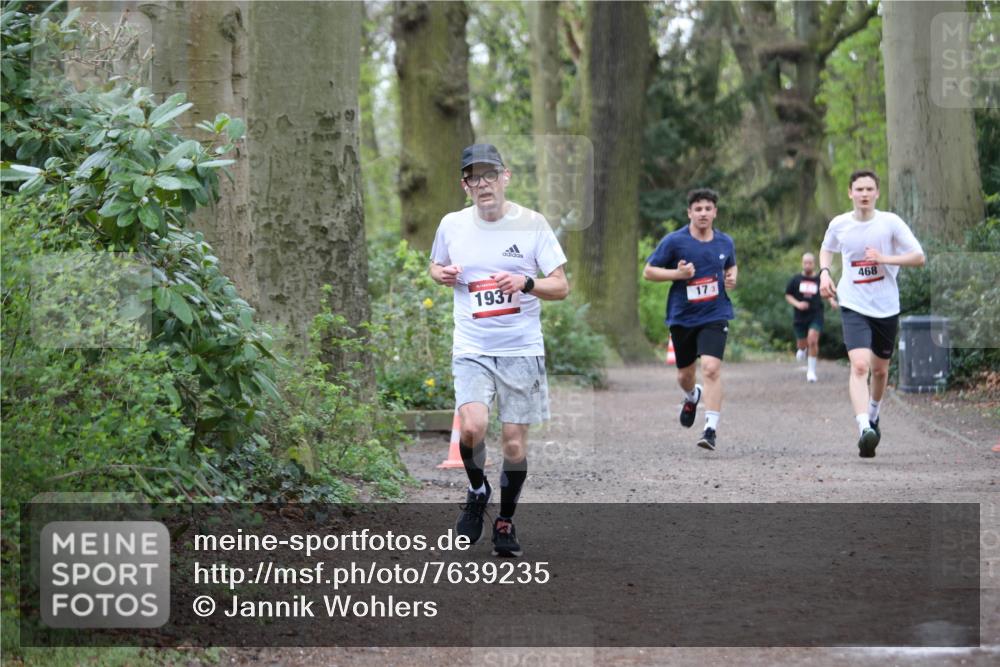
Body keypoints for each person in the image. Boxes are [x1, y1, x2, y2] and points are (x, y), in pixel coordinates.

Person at [429, 143, 569, 556]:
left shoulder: (532, 224)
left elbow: (561, 286)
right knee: (471, 427)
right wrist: (443, 274)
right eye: (475, 177)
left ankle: (505, 520)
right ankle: (477, 490)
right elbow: (435, 266)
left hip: (521, 349)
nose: (483, 183)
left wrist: (525, 283)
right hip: (471, 345)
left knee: (512, 444)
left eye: (491, 174)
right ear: (465, 185)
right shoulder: (452, 225)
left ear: (505, 176)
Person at [819, 169, 925, 458]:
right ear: (850, 193)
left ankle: (874, 414)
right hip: (853, 304)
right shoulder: (840, 224)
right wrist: (825, 273)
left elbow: (918, 257)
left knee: (880, 370)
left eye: (869, 189)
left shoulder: (890, 223)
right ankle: (864, 427)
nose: (864, 194)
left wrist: (884, 259)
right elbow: (826, 249)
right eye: (859, 189)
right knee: (860, 366)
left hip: (886, 306)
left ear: (877, 193)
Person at [643, 188, 737, 451]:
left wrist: (732, 276)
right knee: (685, 375)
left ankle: (710, 429)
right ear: (690, 213)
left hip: (715, 314)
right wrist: (678, 274)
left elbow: (731, 265)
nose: (703, 213)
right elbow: (649, 272)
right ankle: (691, 395)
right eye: (698, 209)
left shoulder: (725, 242)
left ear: (715, 212)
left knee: (711, 368)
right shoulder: (675, 242)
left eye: (708, 208)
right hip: (683, 317)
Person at [785, 252, 838, 382]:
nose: (808, 265)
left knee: (813, 340)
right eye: (805, 262)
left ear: (814, 264)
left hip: (816, 314)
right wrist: (798, 304)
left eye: (810, 262)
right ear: (802, 263)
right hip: (800, 317)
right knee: (802, 344)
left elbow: (827, 291)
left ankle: (811, 372)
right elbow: (788, 295)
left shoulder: (819, 279)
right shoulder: (796, 279)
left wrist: (832, 301)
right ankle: (802, 349)